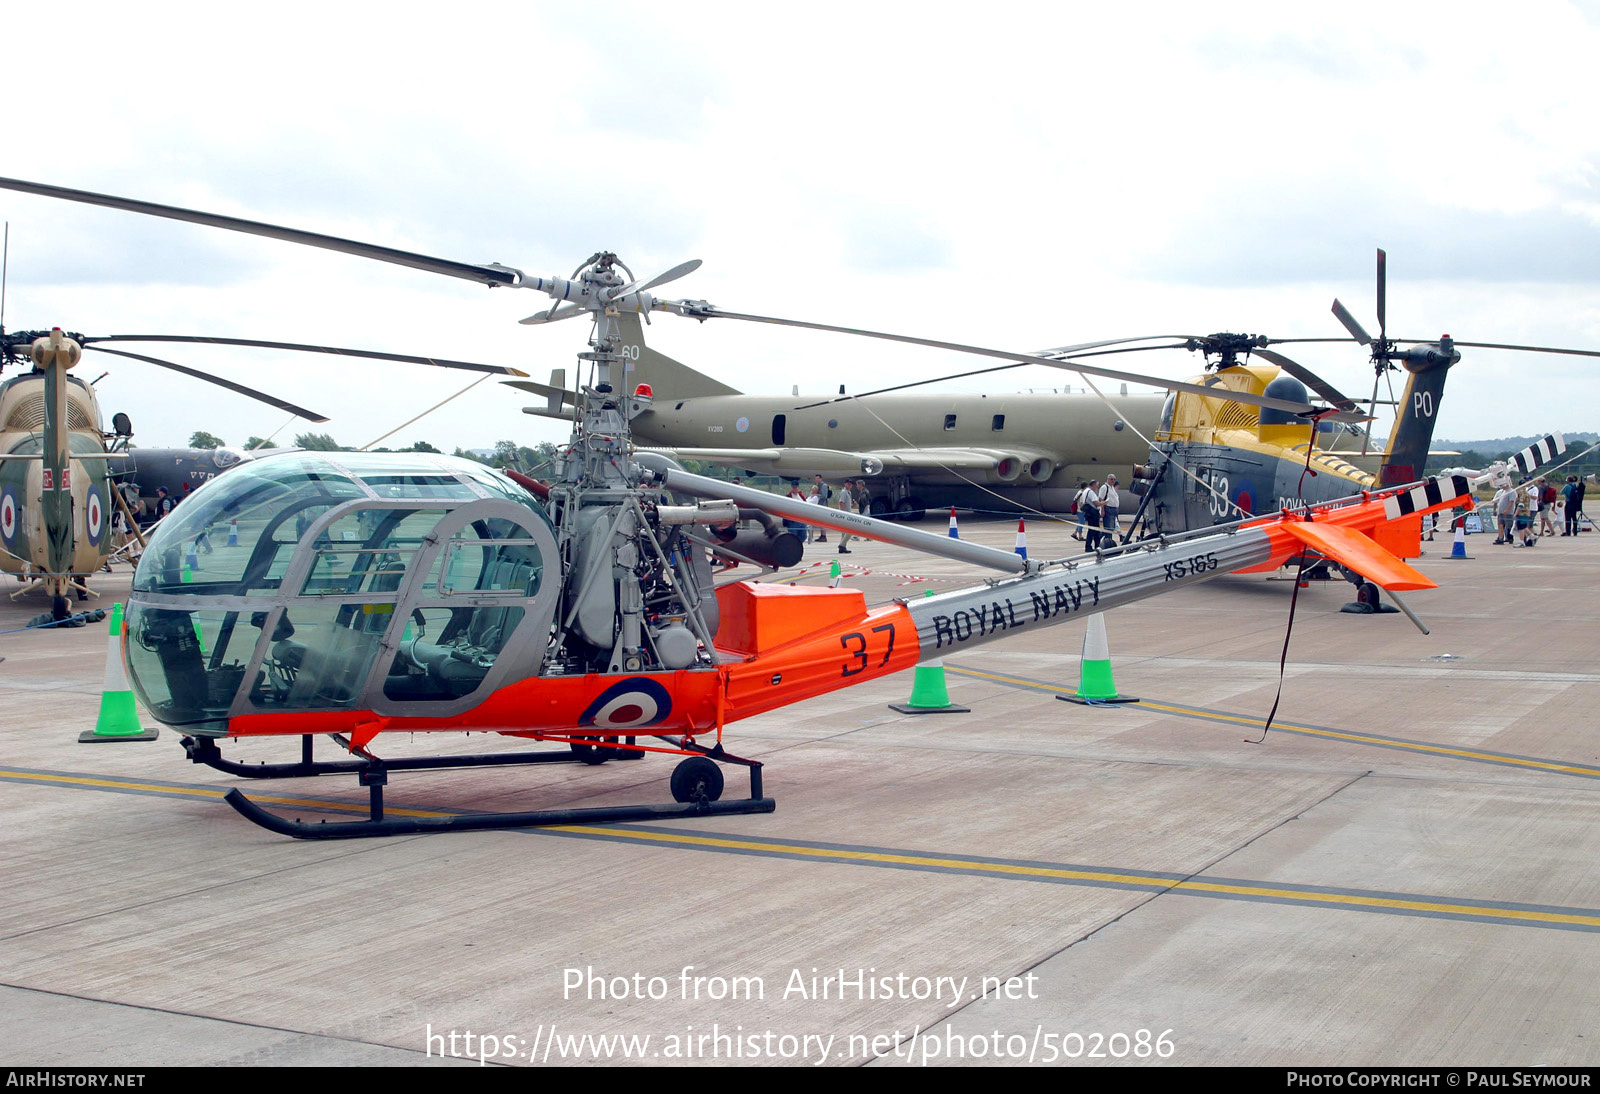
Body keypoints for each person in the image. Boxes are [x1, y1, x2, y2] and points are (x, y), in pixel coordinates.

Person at [1097, 474, 1121, 545]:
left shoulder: (1112, 488)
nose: (1113, 481)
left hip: (1114, 510)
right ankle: (1107, 542)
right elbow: (1101, 499)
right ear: (1107, 479)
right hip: (1108, 509)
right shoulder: (1104, 487)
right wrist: (1102, 509)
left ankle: (1103, 539)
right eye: (1111, 479)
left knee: (1111, 528)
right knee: (1109, 528)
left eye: (1114, 479)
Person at [1080, 478, 1102, 551]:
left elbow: (1082, 503)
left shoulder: (1085, 491)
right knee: (1094, 530)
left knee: (1093, 530)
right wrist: (1104, 503)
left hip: (1088, 513)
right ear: (1094, 485)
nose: (1097, 488)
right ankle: (1090, 546)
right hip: (1093, 514)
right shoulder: (1091, 492)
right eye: (1097, 486)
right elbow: (1096, 503)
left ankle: (1094, 545)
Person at [836, 480, 857, 554]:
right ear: (845, 484)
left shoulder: (849, 492)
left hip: (847, 513)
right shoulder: (844, 492)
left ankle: (843, 547)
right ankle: (842, 545)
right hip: (844, 514)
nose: (850, 485)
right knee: (850, 530)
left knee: (844, 532)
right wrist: (844, 513)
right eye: (848, 484)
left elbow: (847, 504)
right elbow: (841, 502)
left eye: (851, 484)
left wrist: (852, 505)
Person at [811, 475, 830, 543]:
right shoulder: (817, 485)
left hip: (823, 505)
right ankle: (822, 535)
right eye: (816, 478)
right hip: (819, 505)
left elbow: (824, 496)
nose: (816, 480)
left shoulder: (824, 486)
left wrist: (817, 495)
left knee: (823, 521)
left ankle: (823, 536)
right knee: (820, 521)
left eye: (818, 478)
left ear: (821, 479)